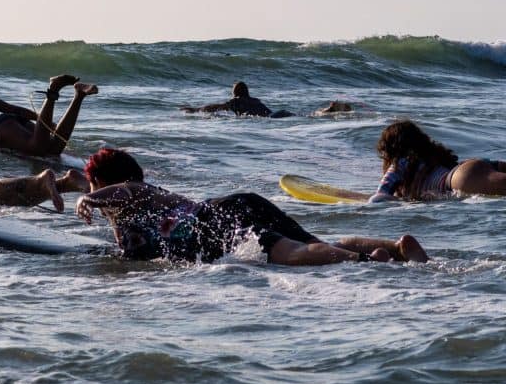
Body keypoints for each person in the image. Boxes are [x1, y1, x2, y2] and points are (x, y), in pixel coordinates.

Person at [74, 148, 428, 265]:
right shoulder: (141, 202)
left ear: (103, 181)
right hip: (229, 208)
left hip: (216, 221)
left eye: (94, 184)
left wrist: (88, 198)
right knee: (313, 243)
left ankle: (370, 263)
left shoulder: (132, 194)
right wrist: (57, 185)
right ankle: (396, 249)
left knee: (293, 254)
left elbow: (123, 190)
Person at [370, 119, 506, 203]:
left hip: (456, 181)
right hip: (468, 168)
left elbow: (379, 197)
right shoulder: (433, 157)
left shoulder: (399, 164)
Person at [181, 82, 294, 118]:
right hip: (279, 114)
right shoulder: (255, 100)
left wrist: (196, 110)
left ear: (235, 93)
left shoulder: (236, 101)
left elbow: (217, 107)